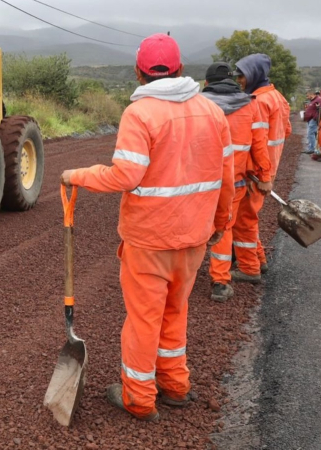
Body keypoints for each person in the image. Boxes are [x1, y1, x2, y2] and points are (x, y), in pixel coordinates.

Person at [60, 34, 234, 422]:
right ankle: (175, 386)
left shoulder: (140, 114)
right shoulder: (212, 112)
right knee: (176, 311)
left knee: (143, 320)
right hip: (194, 239)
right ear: (180, 69)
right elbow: (226, 176)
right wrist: (220, 224)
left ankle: (138, 396)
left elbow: (126, 174)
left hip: (149, 241)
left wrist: (77, 175)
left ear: (139, 72)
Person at [200, 62, 272, 303]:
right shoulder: (251, 105)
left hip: (199, 183)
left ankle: (176, 278)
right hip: (235, 182)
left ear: (207, 83)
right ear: (233, 81)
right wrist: (264, 176)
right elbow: (259, 145)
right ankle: (220, 281)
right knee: (226, 226)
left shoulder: (197, 106)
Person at [230, 54, 291, 279]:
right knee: (249, 218)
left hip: (256, 172)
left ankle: (249, 269)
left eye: (242, 75)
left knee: (244, 221)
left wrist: (262, 174)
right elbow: (287, 131)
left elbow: (256, 142)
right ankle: (259, 260)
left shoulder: (257, 101)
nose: (239, 80)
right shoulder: (278, 98)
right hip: (267, 167)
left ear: (254, 73)